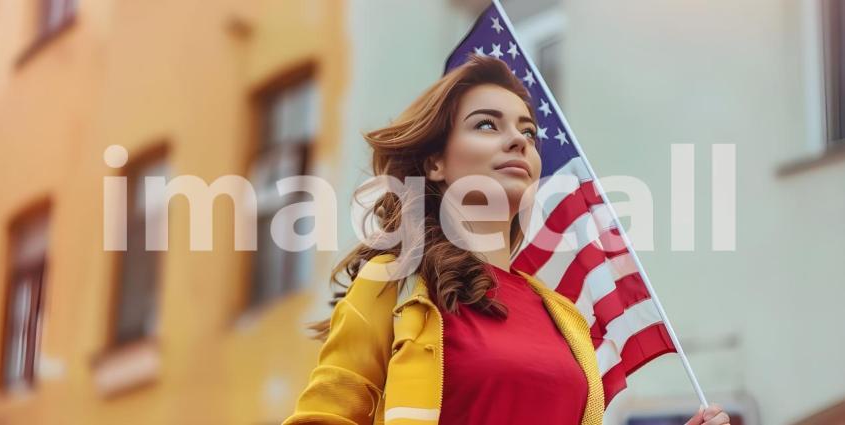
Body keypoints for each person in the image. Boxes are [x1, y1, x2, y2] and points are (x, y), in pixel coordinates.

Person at [282, 54, 731, 425]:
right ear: (436, 162)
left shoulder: (565, 318)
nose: (518, 140)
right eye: (486, 125)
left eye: (528, 131)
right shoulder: (395, 281)